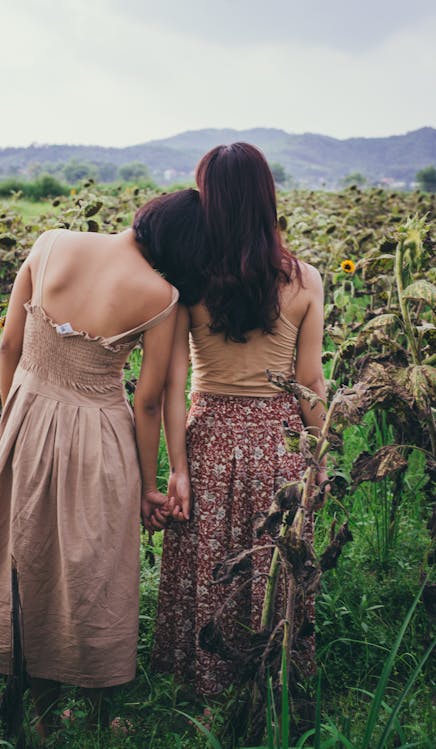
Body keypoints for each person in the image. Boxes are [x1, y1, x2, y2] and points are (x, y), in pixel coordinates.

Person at [0, 191, 200, 738]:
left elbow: (8, 345)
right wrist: (147, 485)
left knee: (30, 555)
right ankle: (98, 715)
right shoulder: (161, 296)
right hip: (100, 436)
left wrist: (12, 422)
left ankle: (43, 714)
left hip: (27, 418)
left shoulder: (51, 243)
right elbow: (147, 400)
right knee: (97, 568)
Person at [150, 143, 327, 697]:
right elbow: (310, 382)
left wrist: (176, 465)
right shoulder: (305, 280)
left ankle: (199, 676)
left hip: (208, 434)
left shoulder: (188, 281)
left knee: (209, 559)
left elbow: (175, 387)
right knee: (275, 558)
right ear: (266, 198)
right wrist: (319, 458)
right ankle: (274, 676)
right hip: (279, 439)